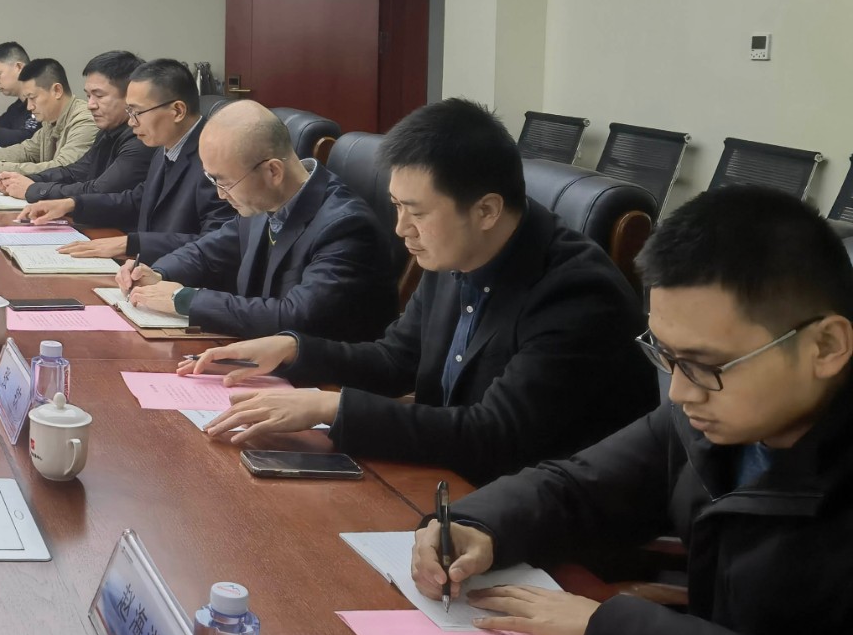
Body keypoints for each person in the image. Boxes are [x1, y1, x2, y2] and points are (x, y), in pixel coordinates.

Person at [411, 188, 853, 635]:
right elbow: (579, 484)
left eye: (706, 365)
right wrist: (477, 524)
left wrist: (609, 632)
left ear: (825, 346)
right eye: (665, 356)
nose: (680, 393)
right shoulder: (710, 415)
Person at [183, 98, 657, 485]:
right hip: (448, 478)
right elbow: (397, 359)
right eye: (396, 206)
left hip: (535, 514)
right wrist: (293, 349)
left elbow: (495, 434)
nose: (401, 229)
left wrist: (334, 407)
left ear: (486, 210)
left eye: (417, 212)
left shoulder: (576, 293)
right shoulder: (454, 250)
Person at [116, 101, 392, 341]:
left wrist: (186, 299)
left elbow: (296, 316)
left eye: (225, 182)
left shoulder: (346, 227)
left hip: (319, 378)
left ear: (273, 171)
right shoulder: (265, 199)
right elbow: (206, 252)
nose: (220, 194)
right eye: (212, 180)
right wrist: (158, 274)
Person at [20, 58, 232, 266]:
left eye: (137, 112)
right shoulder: (166, 146)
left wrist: (132, 244)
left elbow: (217, 243)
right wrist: (72, 204)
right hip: (150, 269)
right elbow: (137, 200)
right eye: (129, 112)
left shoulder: (216, 159)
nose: (131, 122)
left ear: (177, 111)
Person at [0, 50, 152, 202]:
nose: (90, 105)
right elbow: (75, 171)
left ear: (131, 96)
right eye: (88, 96)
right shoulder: (107, 130)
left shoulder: (139, 139)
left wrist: (33, 189)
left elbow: (100, 190)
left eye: (99, 96)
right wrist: (27, 180)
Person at [0, 58, 98, 177]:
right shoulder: (50, 120)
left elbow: (62, 169)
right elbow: (27, 151)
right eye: (27, 99)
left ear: (57, 91)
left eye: (32, 98)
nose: (29, 107)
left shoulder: (85, 121)